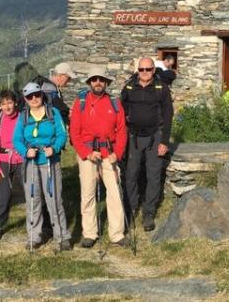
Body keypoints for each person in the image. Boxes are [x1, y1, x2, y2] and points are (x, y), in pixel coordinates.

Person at [69, 66, 128, 248]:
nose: (98, 83)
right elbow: (74, 132)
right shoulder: (80, 103)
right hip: (88, 155)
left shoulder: (115, 103)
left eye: (101, 79)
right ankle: (89, 233)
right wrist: (86, 153)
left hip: (108, 154)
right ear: (89, 82)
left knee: (115, 193)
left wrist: (116, 154)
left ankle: (117, 234)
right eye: (94, 79)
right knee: (88, 194)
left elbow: (122, 132)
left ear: (106, 82)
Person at [13, 82, 71, 251]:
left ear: (41, 95)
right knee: (33, 200)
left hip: (49, 161)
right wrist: (25, 151)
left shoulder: (53, 113)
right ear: (25, 99)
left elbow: (62, 134)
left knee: (54, 199)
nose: (34, 99)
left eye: (36, 95)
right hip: (31, 162)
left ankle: (62, 236)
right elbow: (17, 139)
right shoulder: (23, 117)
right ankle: (34, 236)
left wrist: (54, 148)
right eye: (30, 96)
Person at [120, 57, 174, 232]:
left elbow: (168, 115)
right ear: (137, 70)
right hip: (133, 137)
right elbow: (120, 113)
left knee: (153, 175)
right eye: (141, 70)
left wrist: (165, 141)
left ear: (153, 69)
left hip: (155, 137)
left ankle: (149, 213)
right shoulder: (128, 87)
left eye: (148, 69)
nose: (145, 73)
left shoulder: (161, 88)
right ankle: (130, 209)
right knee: (131, 174)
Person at [0, 89, 24, 241]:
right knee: (5, 194)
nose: (7, 107)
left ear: (15, 102)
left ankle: (41, 224)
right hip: (3, 160)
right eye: (4, 104)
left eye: (9, 102)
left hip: (22, 159)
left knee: (31, 191)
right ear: (0, 106)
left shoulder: (23, 117)